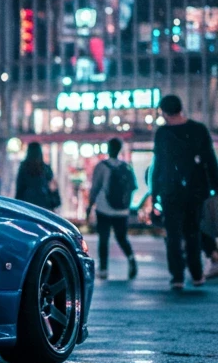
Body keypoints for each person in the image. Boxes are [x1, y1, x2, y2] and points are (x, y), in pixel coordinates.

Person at [151, 93, 218, 289]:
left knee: (173, 235)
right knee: (193, 232)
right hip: (195, 191)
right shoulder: (198, 130)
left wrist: (155, 194)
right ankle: (197, 274)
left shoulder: (162, 134)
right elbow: (210, 161)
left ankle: (177, 277)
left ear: (164, 112)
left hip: (170, 192)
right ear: (181, 109)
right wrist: (215, 186)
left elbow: (158, 166)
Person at [88, 137, 138, 281]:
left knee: (103, 238)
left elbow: (95, 187)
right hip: (122, 210)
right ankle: (131, 258)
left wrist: (90, 206)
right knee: (122, 237)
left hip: (104, 208)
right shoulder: (126, 166)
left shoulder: (102, 166)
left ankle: (103, 269)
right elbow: (133, 187)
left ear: (109, 149)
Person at [15, 141, 60, 210]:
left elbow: (19, 188)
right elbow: (52, 187)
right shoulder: (46, 169)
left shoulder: (24, 168)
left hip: (27, 206)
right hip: (44, 206)